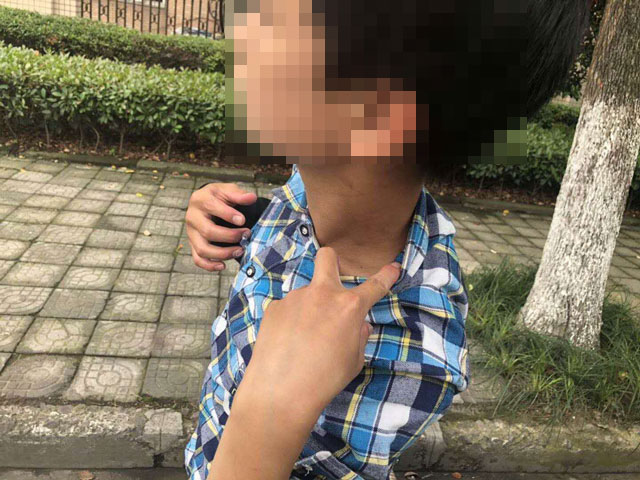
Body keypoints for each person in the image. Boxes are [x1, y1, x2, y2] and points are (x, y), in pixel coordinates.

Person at [184, 0, 592, 478]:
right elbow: (282, 228)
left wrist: (271, 409)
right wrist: (231, 221)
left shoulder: (413, 351)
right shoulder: (313, 184)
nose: (239, 28)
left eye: (269, 20)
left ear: (378, 112)